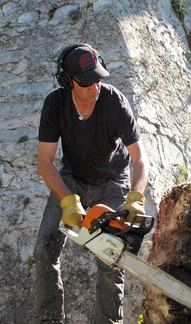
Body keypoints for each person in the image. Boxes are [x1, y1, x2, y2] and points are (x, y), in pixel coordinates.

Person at [33, 43, 149, 323]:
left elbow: (140, 158)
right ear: (67, 81)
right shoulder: (55, 104)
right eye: (86, 82)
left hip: (112, 182)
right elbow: (45, 162)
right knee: (43, 251)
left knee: (110, 258)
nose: (94, 87)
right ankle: (51, 319)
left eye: (97, 79)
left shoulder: (115, 102)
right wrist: (67, 199)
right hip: (72, 180)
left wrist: (135, 197)